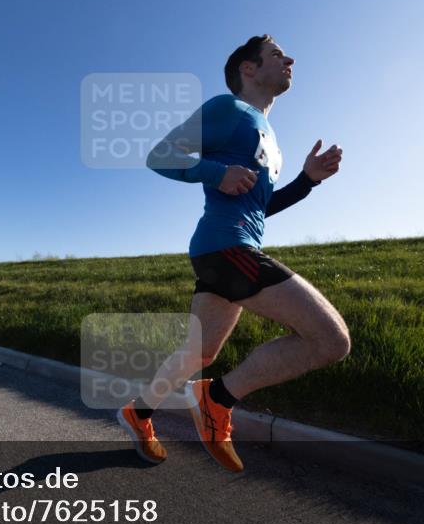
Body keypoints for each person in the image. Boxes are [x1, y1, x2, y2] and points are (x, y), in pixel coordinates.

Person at [116, 35, 351, 472]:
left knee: (197, 355)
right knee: (331, 341)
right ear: (248, 68)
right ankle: (217, 399)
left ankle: (138, 413)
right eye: (278, 55)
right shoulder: (227, 109)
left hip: (224, 250)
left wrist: (306, 181)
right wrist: (216, 172)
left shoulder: (268, 135)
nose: (290, 59)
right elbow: (159, 155)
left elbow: (259, 206)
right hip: (227, 247)